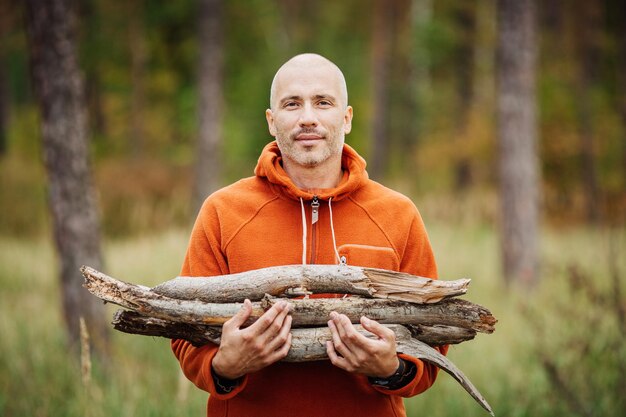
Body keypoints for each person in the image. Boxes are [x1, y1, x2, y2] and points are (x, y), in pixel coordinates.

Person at [172, 53, 448, 417]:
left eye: (323, 102)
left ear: (346, 118)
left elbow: (433, 342)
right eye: (292, 104)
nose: (307, 118)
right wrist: (225, 365)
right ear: (272, 122)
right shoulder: (223, 211)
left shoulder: (398, 214)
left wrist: (392, 370)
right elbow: (184, 332)